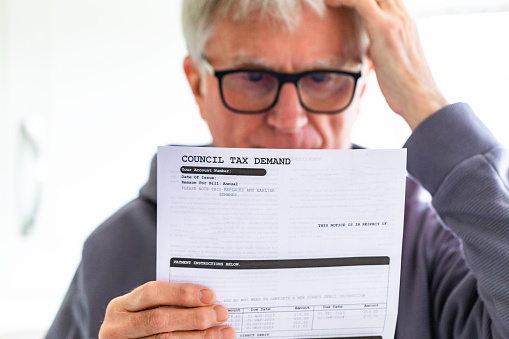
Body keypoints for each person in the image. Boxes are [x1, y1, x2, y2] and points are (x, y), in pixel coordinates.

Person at [46, 0, 509, 338]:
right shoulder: (113, 250)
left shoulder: (428, 239)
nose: (289, 120)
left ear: (365, 86)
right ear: (197, 85)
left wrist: (426, 104)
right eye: (252, 77)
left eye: (323, 77)